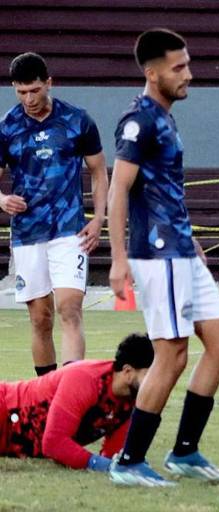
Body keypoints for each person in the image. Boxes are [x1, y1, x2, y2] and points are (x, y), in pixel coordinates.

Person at [107, 28, 219, 487]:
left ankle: (185, 452)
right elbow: (118, 189)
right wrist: (118, 257)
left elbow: (164, 190)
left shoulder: (165, 118)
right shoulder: (138, 121)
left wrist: (191, 238)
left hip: (182, 250)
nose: (188, 74)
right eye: (178, 67)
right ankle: (129, 461)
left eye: (188, 64)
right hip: (157, 255)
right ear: (152, 73)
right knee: (172, 355)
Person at [0, 52, 109, 376]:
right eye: (21, 92)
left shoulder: (77, 120)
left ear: (49, 83)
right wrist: (2, 199)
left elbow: (98, 170)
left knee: (70, 309)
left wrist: (98, 218)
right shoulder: (7, 127)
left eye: (34, 90)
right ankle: (47, 393)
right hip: (28, 232)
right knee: (40, 318)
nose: (29, 99)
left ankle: (70, 390)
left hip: (69, 229)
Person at [0, 333, 153, 471]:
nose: (157, 382)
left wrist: (116, 464)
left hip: (12, 443)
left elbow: (114, 455)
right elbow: (53, 443)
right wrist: (97, 463)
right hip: (5, 409)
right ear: (127, 371)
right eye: (151, 374)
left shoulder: (131, 400)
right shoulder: (86, 379)